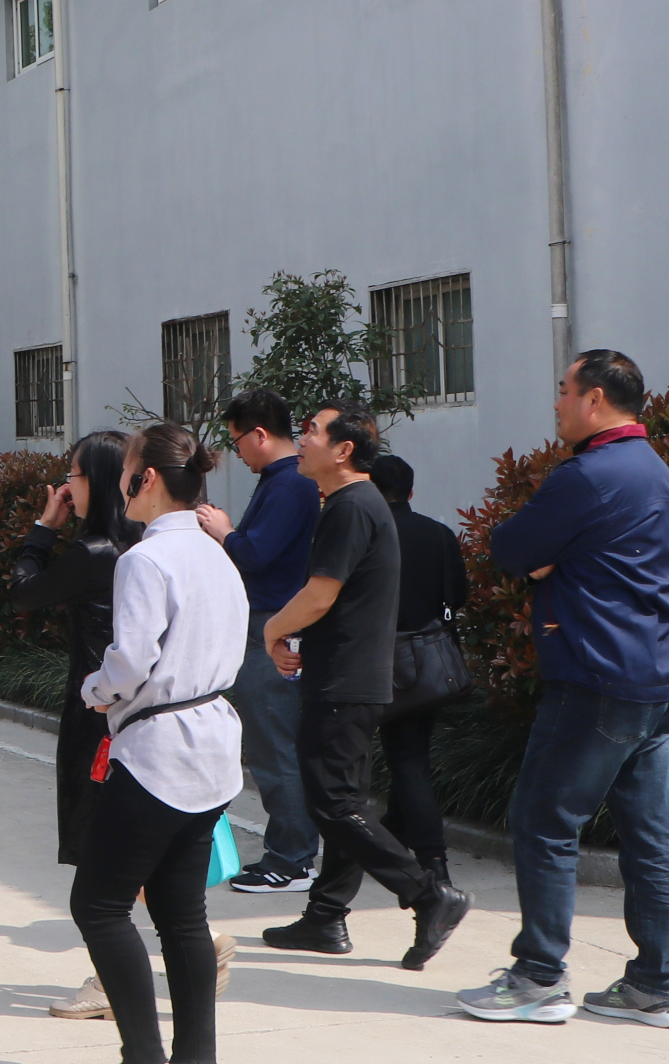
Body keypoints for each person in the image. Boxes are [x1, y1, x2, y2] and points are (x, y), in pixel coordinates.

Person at [460, 350, 669, 1027]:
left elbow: (507, 547)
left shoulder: (587, 477)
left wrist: (543, 567)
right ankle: (654, 983)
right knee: (651, 840)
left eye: (562, 391)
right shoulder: (653, 469)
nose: (555, 403)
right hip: (657, 679)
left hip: (594, 675)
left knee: (543, 820)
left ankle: (537, 974)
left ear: (593, 399)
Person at [65, 422, 247, 1064]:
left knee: (99, 902)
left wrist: (94, 690)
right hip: (211, 740)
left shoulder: (144, 559)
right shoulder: (215, 553)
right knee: (181, 910)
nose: (118, 483)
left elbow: (131, 660)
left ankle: (142, 1062)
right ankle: (195, 1061)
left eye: (126, 470)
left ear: (144, 478)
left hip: (157, 746)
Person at [258, 404, 472, 968]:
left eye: (310, 431)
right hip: (352, 673)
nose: (300, 439)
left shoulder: (351, 505)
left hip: (345, 679)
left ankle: (428, 895)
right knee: (345, 801)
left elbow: (321, 593)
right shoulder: (356, 502)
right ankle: (325, 917)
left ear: (343, 449)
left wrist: (273, 629)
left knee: (330, 803)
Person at [12, 430, 144, 1019]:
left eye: (75, 475)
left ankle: (107, 981)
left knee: (98, 853)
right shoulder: (143, 545)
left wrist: (43, 528)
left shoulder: (94, 556)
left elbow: (23, 593)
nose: (67, 486)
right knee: (128, 845)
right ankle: (195, 942)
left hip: (96, 713)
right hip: (139, 711)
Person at [196, 388, 323, 893]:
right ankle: (290, 850)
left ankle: (291, 859)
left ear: (260, 434)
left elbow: (257, 554)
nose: (237, 453)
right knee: (275, 744)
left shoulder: (288, 484)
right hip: (270, 622)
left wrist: (223, 531)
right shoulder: (285, 481)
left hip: (273, 626)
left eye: (237, 441)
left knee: (275, 746)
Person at [371, 454, 466, 903]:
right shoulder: (439, 533)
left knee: (407, 762)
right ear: (411, 492)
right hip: (429, 664)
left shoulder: (367, 529)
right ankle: (387, 839)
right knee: (409, 754)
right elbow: (458, 595)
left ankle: (432, 860)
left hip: (378, 662)